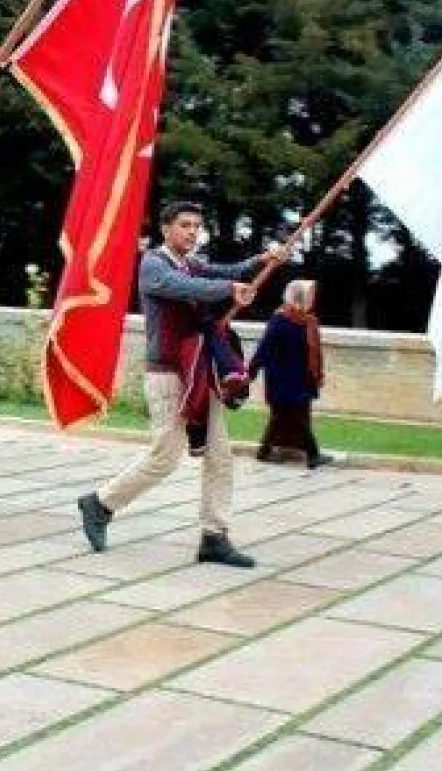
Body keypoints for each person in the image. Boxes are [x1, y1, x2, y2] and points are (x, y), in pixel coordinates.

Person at [75, 201, 283, 568]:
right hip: (167, 376)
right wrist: (229, 288)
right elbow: (185, 287)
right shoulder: (154, 264)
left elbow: (226, 271)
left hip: (199, 372)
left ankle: (214, 537)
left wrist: (263, 260)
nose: (192, 232)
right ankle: (101, 503)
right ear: (166, 229)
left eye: (197, 226)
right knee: (165, 457)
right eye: (185, 225)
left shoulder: (191, 263)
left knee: (220, 456)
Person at [249, 279, 332, 469]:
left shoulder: (306, 321)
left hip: (298, 379)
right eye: (307, 295)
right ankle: (313, 455)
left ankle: (264, 451)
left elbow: (311, 353)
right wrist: (250, 372)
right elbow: (264, 349)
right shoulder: (282, 320)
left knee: (281, 417)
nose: (311, 298)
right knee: (297, 417)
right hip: (283, 379)